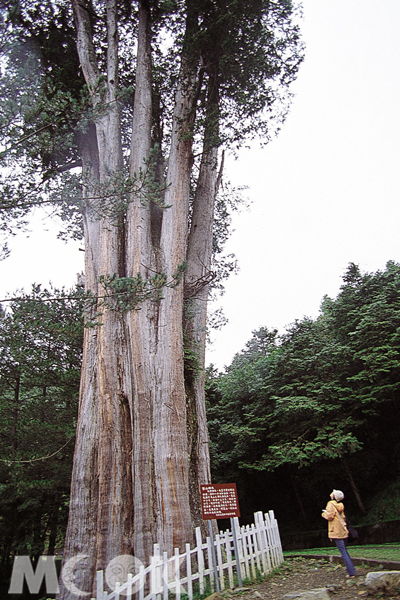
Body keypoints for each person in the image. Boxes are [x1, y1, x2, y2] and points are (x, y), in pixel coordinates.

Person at [321, 489, 356, 577]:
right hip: (343, 530)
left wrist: (323, 514)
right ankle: (351, 570)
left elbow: (329, 516)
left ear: (334, 496)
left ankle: (351, 572)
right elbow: (343, 517)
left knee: (343, 552)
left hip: (336, 531)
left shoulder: (331, 504)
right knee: (345, 551)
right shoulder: (340, 505)